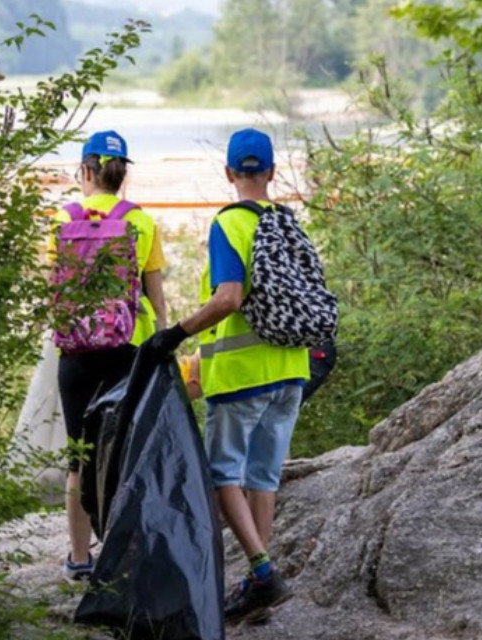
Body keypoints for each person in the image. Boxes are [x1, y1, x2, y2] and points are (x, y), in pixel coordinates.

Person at [141, 128, 307, 622]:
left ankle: (262, 573)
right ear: (272, 172)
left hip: (240, 375)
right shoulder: (288, 223)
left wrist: (176, 333)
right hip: (291, 368)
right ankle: (259, 583)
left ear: (229, 172)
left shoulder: (229, 225)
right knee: (263, 476)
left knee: (221, 474)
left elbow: (229, 298)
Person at [52, 130, 167, 580]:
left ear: (85, 170)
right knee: (124, 454)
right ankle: (124, 559)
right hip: (126, 348)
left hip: (76, 350)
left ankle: (80, 560)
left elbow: (50, 288)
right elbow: (155, 296)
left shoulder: (61, 219)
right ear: (122, 174)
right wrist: (161, 339)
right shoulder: (141, 222)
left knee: (79, 458)